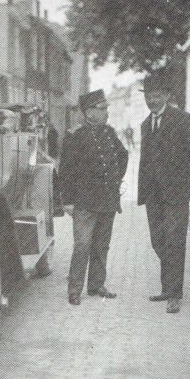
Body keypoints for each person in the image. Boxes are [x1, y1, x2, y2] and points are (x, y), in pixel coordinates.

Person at [137, 69, 190, 314]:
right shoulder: (146, 125)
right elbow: (145, 161)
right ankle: (167, 288)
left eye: (156, 95)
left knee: (175, 242)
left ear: (166, 95)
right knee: (159, 242)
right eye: (148, 96)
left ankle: (174, 294)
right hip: (153, 196)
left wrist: (188, 187)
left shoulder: (184, 120)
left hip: (176, 195)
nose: (151, 100)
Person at [59, 89, 129, 305]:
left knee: (102, 245)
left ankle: (96, 285)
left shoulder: (109, 132)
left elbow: (122, 155)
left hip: (107, 199)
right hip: (85, 202)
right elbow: (66, 171)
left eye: (106, 108)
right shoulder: (74, 135)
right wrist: (68, 201)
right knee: (82, 245)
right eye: (102, 108)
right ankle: (74, 289)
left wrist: (115, 180)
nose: (107, 111)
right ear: (89, 112)